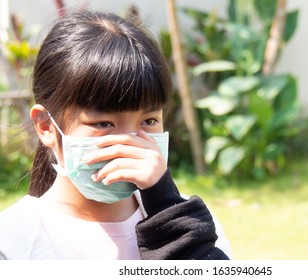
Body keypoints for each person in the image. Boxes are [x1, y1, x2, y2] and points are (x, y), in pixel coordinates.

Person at [0, 9, 231, 260]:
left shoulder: (190, 225)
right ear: (46, 126)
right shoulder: (13, 244)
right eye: (103, 123)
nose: (129, 144)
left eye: (149, 121)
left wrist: (168, 214)